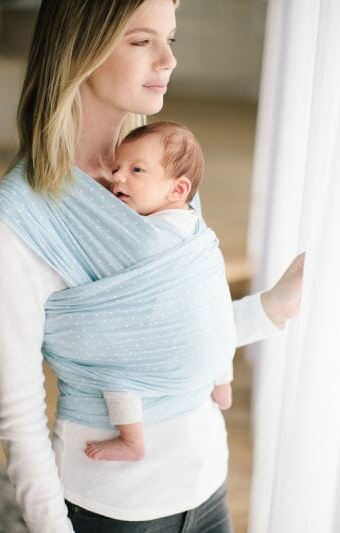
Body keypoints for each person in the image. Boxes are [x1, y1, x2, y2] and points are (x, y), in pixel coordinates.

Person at [0, 0, 306, 531]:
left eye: (171, 40)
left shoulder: (159, 173)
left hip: (208, 487)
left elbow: (180, 332)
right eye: (142, 41)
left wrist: (271, 309)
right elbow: (17, 415)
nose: (168, 60)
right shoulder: (16, 220)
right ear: (79, 50)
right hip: (115, 510)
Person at [84, 120, 236, 462]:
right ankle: (223, 384)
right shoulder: (195, 226)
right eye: (117, 168)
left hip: (170, 346)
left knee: (114, 366)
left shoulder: (147, 234)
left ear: (178, 190)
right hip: (214, 344)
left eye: (137, 170)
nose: (117, 178)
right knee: (216, 314)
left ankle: (131, 440)